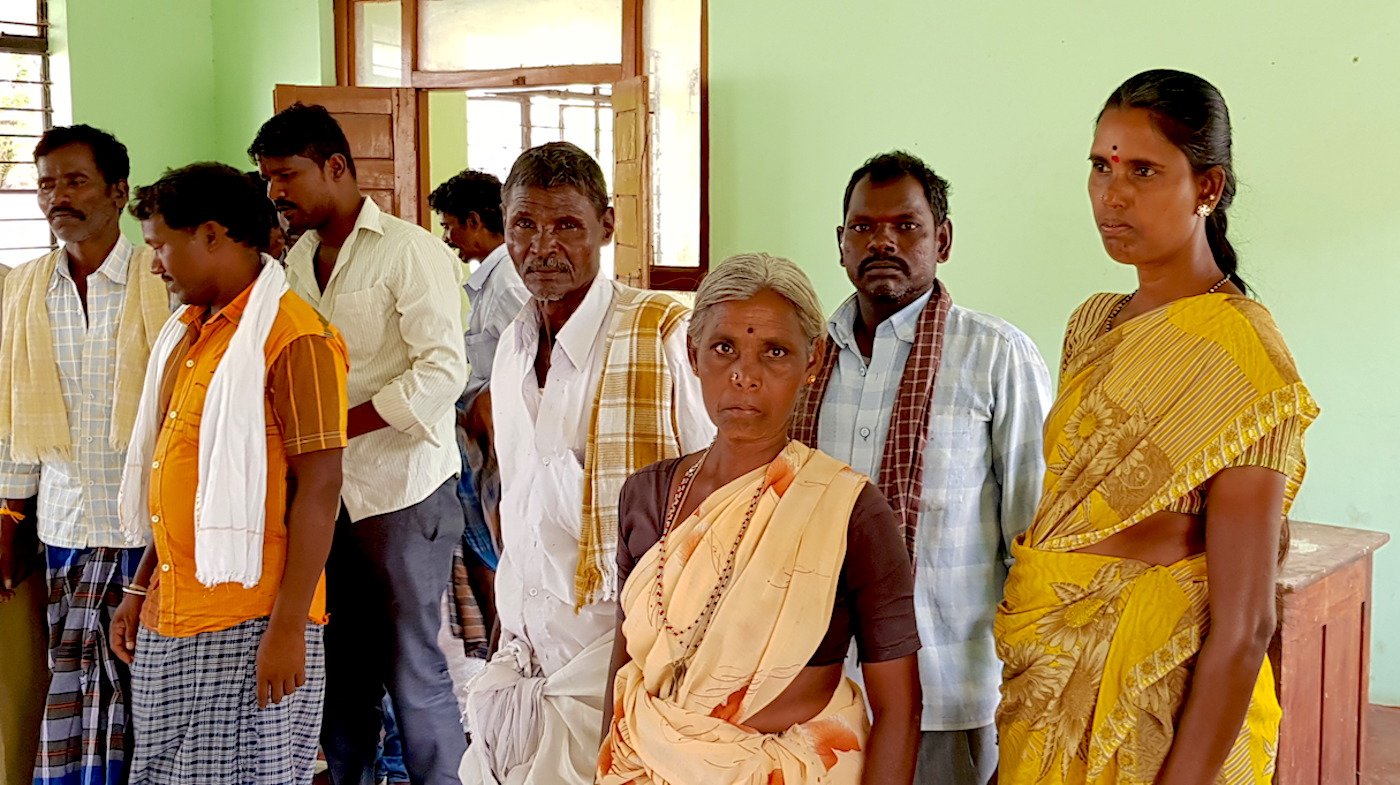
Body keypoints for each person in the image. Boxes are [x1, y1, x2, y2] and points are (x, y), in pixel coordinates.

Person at [994, 69, 1320, 784]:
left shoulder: (1247, 360)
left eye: (1143, 170)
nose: (1112, 195)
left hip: (1150, 706)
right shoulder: (1093, 323)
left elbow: (1245, 626)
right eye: (1101, 167)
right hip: (1045, 680)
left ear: (1208, 187)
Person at [598, 253, 922, 784]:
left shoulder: (848, 510)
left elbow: (900, 708)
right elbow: (623, 674)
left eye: (775, 352)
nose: (745, 376)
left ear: (813, 360)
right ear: (692, 352)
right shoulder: (647, 495)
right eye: (725, 348)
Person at [790, 150, 1051, 784]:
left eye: (906, 225)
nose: (882, 240)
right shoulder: (804, 361)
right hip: (822, 695)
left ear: (944, 239)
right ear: (841, 243)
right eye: (863, 227)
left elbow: (1037, 541)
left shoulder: (996, 357)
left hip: (948, 694)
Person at [458, 142, 713, 785]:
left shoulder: (662, 334)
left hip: (632, 655)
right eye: (525, 225)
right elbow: (519, 502)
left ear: (606, 224)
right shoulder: (513, 348)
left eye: (567, 225)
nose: (543, 246)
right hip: (530, 653)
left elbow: (715, 494)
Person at [109, 162, 348, 784]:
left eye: (161, 244)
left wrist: (288, 629)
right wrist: (140, 588)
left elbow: (320, 492)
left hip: (253, 623)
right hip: (176, 612)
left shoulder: (295, 337)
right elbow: (181, 481)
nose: (155, 263)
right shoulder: (191, 333)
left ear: (211, 234)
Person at [251, 103, 469, 785]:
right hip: (324, 502)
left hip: (402, 491)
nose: (276, 194)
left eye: (287, 176)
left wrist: (337, 429)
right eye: (268, 180)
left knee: (414, 671)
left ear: (337, 167)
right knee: (339, 672)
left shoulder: (411, 250)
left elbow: (443, 369)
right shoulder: (295, 261)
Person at [0, 125, 170, 785]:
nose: (56, 197)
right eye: (46, 183)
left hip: (156, 534)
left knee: (150, 696)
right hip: (68, 530)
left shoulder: (162, 276)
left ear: (118, 192)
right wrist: (11, 513)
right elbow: (14, 414)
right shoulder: (24, 291)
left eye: (74, 181)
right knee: (74, 699)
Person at [428, 168, 529, 649]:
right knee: (483, 544)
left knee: (497, 545)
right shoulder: (490, 280)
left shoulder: (508, 282)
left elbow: (526, 361)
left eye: (450, 227)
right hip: (481, 431)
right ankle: (494, 642)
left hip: (499, 434)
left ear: (473, 221)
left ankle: (504, 641)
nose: (448, 239)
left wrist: (485, 407)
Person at [0, 258, 51, 785]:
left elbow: (19, 413)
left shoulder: (14, 289)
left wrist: (10, 515)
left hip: (13, 517)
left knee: (18, 692)